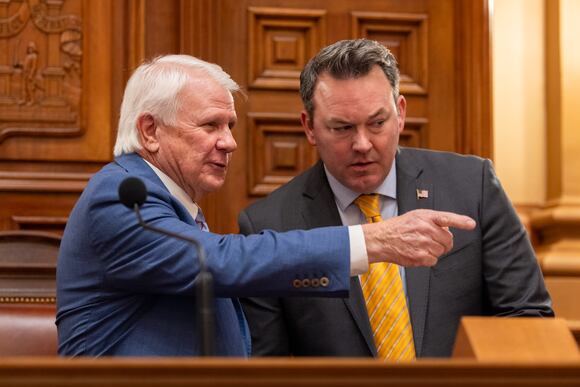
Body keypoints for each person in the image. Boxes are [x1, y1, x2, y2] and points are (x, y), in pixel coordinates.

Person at [55, 54, 476, 357]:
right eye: (210, 125)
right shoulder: (121, 196)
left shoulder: (175, 205)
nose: (230, 142)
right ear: (150, 131)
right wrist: (371, 241)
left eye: (231, 126)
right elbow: (216, 262)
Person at [239, 39, 554, 359]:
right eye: (342, 128)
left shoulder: (472, 186)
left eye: (377, 123)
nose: (362, 144)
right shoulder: (272, 225)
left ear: (400, 114)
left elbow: (527, 318)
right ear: (309, 128)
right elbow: (268, 370)